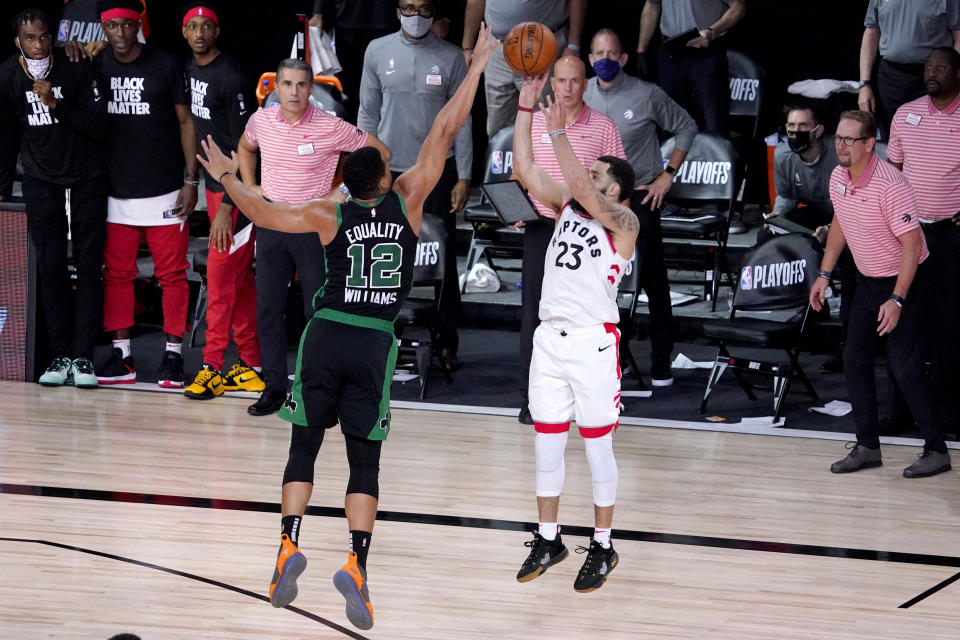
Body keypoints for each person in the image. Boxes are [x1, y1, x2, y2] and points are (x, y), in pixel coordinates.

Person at [197, 23, 499, 630]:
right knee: (366, 461)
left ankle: (287, 544)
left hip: (326, 333)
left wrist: (229, 176)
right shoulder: (407, 198)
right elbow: (444, 129)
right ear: (384, 181)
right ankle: (357, 565)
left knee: (302, 445)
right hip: (373, 342)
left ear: (346, 182)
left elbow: (260, 210)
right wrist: (477, 68)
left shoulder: (328, 211)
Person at [511, 73, 638, 592]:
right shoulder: (568, 200)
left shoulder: (624, 222)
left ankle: (604, 547)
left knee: (596, 449)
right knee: (545, 445)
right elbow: (523, 168)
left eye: (598, 171)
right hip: (550, 339)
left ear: (616, 189)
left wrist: (556, 128)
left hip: (593, 343)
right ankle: (549, 537)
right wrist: (525, 112)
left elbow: (582, 187)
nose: (588, 174)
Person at [238, 58, 391, 416]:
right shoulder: (261, 120)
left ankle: (316, 391)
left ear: (311, 88)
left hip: (313, 227)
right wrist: (249, 186)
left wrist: (346, 193)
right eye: (287, 84)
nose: (294, 92)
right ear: (276, 87)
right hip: (273, 223)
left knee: (318, 314)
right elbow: (246, 147)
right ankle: (274, 388)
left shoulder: (330, 126)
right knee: (268, 311)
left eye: (301, 85)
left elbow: (380, 154)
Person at [809, 110, 951, 479]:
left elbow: (911, 245)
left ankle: (936, 449)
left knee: (903, 367)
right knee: (854, 359)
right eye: (837, 138)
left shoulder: (891, 185)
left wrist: (898, 299)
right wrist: (824, 273)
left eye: (849, 140)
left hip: (907, 283)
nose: (840, 146)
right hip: (868, 281)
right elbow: (840, 221)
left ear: (870, 144)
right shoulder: (838, 177)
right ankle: (868, 446)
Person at [358, 0, 471, 369]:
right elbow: (367, 115)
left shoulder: (452, 57)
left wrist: (465, 175)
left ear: (434, 12)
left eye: (423, 9)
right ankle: (380, 337)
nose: (416, 16)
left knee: (441, 260)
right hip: (388, 174)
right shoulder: (377, 51)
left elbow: (463, 122)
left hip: (438, 173)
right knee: (384, 258)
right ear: (396, 11)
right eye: (408, 7)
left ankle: (445, 342)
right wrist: (367, 173)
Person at [92, 0, 198, 388]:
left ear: (138, 25)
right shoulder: (97, 64)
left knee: (172, 276)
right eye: (111, 27)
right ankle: (123, 357)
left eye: (126, 25)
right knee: (116, 276)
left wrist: (191, 181)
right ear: (103, 30)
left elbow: (187, 122)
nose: (119, 34)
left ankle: (173, 357)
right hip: (114, 190)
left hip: (165, 189)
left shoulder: (166, 64)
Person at [584, 27, 697, 386]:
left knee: (652, 283)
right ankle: (613, 357)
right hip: (595, 206)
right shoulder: (580, 93)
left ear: (624, 58)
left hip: (641, 202)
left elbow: (687, 127)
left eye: (612, 53)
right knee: (601, 284)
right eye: (598, 54)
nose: (605, 60)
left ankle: (662, 360)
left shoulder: (646, 94)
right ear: (590, 59)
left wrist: (668, 175)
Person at [0, 9, 107, 389]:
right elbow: (8, 134)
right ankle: (60, 354)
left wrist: (57, 105)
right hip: (41, 179)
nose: (39, 44)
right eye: (31, 38)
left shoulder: (75, 64)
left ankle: (84, 357)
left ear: (54, 37)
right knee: (50, 268)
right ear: (18, 42)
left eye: (45, 37)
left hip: (86, 178)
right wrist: (1, 190)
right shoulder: (9, 75)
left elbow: (99, 126)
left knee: (89, 267)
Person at [517, 54, 625, 424]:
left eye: (574, 81)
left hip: (589, 231)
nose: (566, 88)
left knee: (587, 314)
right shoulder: (538, 120)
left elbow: (615, 184)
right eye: (560, 81)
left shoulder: (603, 126)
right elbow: (524, 168)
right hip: (544, 220)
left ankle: (591, 397)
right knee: (535, 311)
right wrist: (524, 108)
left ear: (586, 83)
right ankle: (532, 399)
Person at [180, 2, 264, 400]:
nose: (199, 33)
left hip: (238, 196)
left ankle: (212, 365)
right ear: (184, 32)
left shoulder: (231, 77)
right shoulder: (189, 69)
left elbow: (245, 147)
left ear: (217, 32)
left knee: (219, 280)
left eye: (206, 27)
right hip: (217, 192)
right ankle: (251, 363)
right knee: (238, 281)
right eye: (192, 27)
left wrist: (230, 207)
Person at [887, 46, 960, 432]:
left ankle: (950, 415)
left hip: (951, 237)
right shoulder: (905, 113)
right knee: (903, 325)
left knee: (949, 327)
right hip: (909, 237)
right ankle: (900, 411)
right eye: (929, 66)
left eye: (942, 67)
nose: (933, 72)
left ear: (958, 73)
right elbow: (892, 174)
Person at [765, 101, 854, 376]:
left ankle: (847, 345)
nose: (795, 131)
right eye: (791, 126)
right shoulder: (782, 156)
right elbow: (788, 197)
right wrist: (776, 217)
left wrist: (831, 228)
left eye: (803, 126)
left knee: (850, 263)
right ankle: (806, 318)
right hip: (816, 214)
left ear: (818, 131)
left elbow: (856, 204)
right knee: (768, 236)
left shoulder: (839, 156)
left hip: (852, 219)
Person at [462, 0, 586, 137]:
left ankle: (543, 158)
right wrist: (468, 45)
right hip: (497, 46)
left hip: (542, 46)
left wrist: (573, 45)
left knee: (545, 126)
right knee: (498, 127)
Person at [635, 0, 746, 134]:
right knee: (669, 122)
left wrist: (712, 32)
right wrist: (641, 50)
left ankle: (714, 153)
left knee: (713, 121)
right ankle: (670, 154)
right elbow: (652, 6)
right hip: (671, 52)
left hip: (706, 50)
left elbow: (739, 6)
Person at [858, 0, 960, 141]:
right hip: (890, 78)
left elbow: (958, 33)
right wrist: (864, 84)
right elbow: (871, 31)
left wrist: (951, 76)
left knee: (934, 137)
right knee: (893, 137)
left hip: (932, 77)